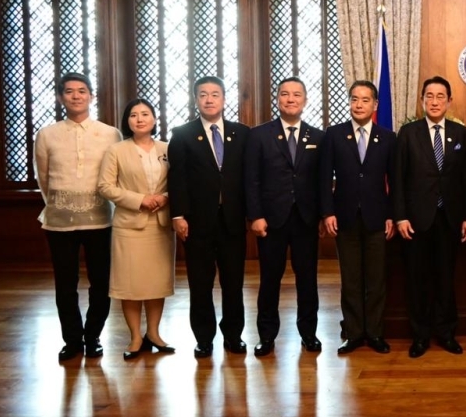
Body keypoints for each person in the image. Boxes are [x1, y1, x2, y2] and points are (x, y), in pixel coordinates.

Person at [35, 72, 121, 361]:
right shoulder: (47, 134)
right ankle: (72, 340)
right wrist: (62, 204)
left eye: (81, 91)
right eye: (69, 91)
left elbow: (115, 176)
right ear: (61, 97)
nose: (75, 96)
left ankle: (93, 336)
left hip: (100, 219)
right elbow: (43, 177)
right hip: (60, 221)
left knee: (101, 282)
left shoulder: (110, 133)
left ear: (91, 96)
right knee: (65, 283)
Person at [167, 76, 250, 359]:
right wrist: (177, 215)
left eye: (215, 94)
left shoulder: (242, 134)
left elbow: (249, 180)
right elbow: (176, 179)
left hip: (232, 221)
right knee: (200, 284)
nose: (209, 99)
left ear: (224, 99)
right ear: (196, 100)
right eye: (203, 95)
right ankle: (204, 338)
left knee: (233, 282)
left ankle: (234, 335)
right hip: (197, 222)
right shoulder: (182, 134)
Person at [393, 76, 466, 358]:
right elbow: (399, 179)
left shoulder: (460, 133)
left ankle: (446, 333)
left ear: (449, 101)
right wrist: (401, 216)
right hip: (416, 221)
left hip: (450, 219)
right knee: (417, 280)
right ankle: (420, 336)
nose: (435, 101)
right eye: (429, 95)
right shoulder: (408, 133)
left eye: (441, 96)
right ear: (422, 100)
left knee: (445, 279)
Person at [244, 77, 324, 358]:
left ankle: (309, 333)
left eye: (297, 95)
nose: (291, 99)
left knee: (307, 279)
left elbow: (322, 182)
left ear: (305, 100)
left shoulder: (317, 137)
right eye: (285, 94)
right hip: (271, 220)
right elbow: (251, 180)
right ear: (277, 99)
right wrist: (255, 215)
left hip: (305, 219)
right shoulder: (258, 135)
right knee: (269, 279)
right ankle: (266, 336)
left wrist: (323, 216)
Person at [320, 80, 396, 355]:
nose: (359, 104)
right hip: (344, 217)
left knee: (376, 280)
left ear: (375, 105)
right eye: (354, 99)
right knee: (350, 279)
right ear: (349, 102)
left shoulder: (387, 137)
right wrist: (327, 211)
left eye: (365, 100)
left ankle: (374, 333)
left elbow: (395, 181)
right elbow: (324, 177)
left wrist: (392, 215)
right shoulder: (334, 135)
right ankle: (353, 333)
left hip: (378, 218)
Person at [97, 98, 176, 360]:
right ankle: (135, 337)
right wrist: (139, 200)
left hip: (161, 224)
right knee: (130, 284)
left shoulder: (168, 148)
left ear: (154, 119)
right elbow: (105, 187)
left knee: (156, 282)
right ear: (127, 121)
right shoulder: (116, 150)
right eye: (133, 115)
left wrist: (165, 196)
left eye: (145, 114)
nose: (139, 119)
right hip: (129, 225)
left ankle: (153, 333)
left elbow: (180, 179)